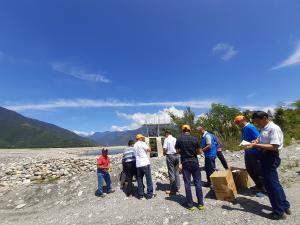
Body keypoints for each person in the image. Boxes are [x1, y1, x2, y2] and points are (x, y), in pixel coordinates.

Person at [245, 111, 291, 220]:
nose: (256, 124)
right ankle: (285, 206)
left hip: (270, 157)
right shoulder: (264, 128)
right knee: (275, 184)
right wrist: (256, 141)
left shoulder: (273, 128)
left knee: (271, 186)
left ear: (264, 118)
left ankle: (278, 212)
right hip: (265, 156)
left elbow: (274, 146)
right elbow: (262, 139)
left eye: (257, 121)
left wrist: (255, 145)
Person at [234, 115, 266, 196]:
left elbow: (258, 138)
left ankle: (264, 190)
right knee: (250, 170)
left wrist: (251, 143)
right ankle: (258, 186)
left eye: (238, 122)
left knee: (257, 171)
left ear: (243, 120)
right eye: (236, 123)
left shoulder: (250, 127)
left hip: (255, 153)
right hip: (248, 152)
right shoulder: (244, 128)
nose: (237, 124)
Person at [175, 125, 204, 211]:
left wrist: (183, 152)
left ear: (182, 130)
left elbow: (177, 151)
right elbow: (199, 151)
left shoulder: (179, 139)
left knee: (187, 183)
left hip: (185, 162)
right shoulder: (195, 139)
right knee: (198, 182)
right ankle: (200, 204)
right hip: (194, 162)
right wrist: (193, 152)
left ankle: (190, 205)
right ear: (190, 130)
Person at [133, 134, 154, 200]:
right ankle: (149, 195)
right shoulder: (142, 143)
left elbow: (135, 155)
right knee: (148, 179)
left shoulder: (134, 145)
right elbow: (149, 150)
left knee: (139, 180)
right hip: (145, 163)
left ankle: (141, 195)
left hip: (138, 165)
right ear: (140, 138)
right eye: (142, 138)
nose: (143, 138)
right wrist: (148, 145)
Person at [163, 130, 180, 195]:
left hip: (170, 156)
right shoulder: (175, 139)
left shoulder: (167, 139)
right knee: (176, 172)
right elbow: (178, 148)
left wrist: (164, 153)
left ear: (167, 134)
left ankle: (173, 189)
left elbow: (165, 148)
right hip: (177, 155)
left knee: (171, 172)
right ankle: (178, 187)